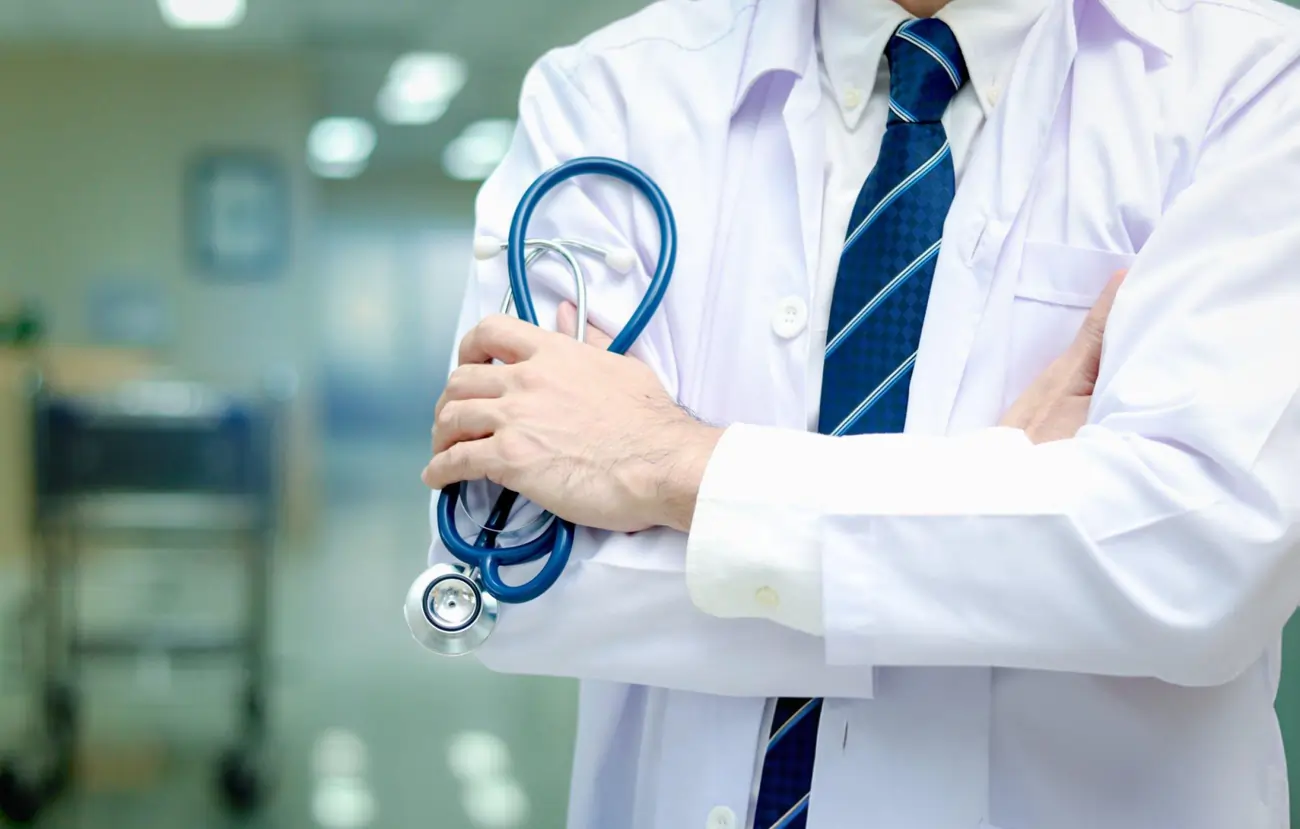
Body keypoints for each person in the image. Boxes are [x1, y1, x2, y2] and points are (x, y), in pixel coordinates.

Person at [422, 0, 1300, 826]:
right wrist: (1001, 496)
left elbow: (1195, 562)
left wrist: (668, 465)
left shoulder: (1253, 81)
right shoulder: (609, 94)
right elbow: (506, 574)